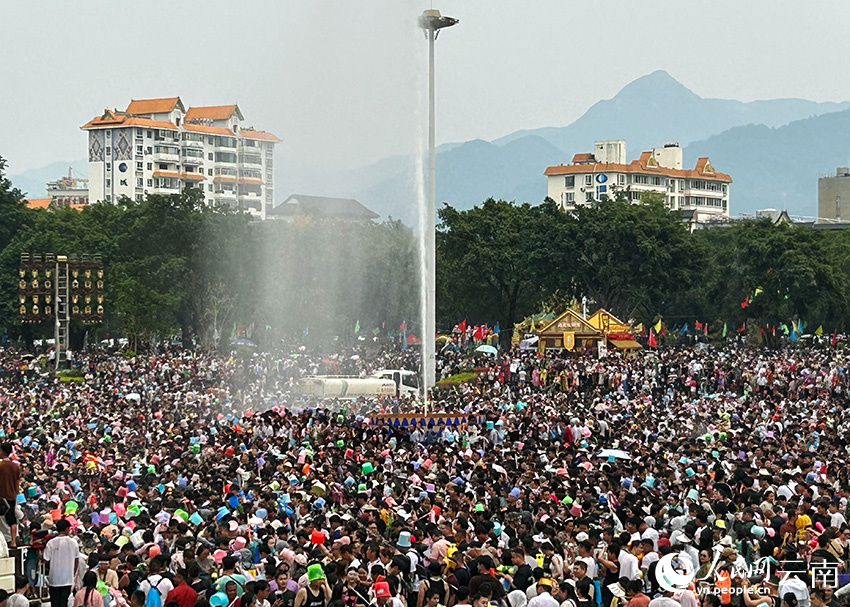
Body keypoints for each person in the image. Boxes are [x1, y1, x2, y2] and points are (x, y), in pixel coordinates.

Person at [44, 518, 80, 607]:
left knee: (55, 603)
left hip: (54, 579)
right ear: (67, 529)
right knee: (64, 603)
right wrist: (73, 574)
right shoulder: (73, 542)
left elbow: (45, 559)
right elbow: (76, 561)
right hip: (67, 579)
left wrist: (38, 553)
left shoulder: (51, 543)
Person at [0, 442, 20, 548]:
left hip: (1, 495)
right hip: (12, 496)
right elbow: (17, 482)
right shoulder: (15, 466)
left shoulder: (1, 465)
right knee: (12, 519)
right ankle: (13, 541)